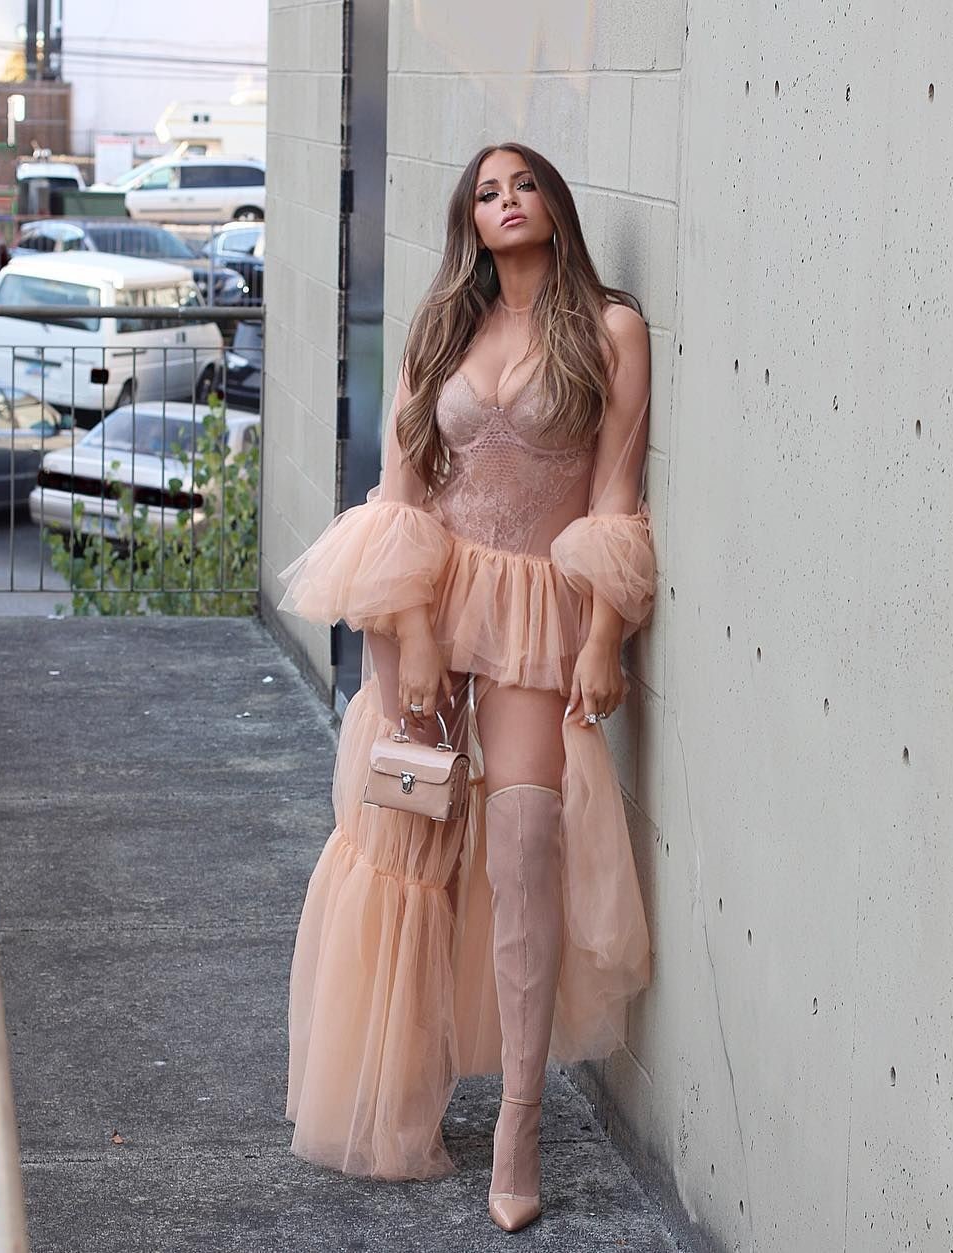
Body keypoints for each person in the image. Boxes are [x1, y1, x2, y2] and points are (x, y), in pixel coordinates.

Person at [276, 141, 657, 1234]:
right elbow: (401, 490)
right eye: (488, 192)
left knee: (526, 837)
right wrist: (408, 631)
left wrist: (604, 636)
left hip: (537, 605)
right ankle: (400, 1085)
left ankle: (519, 1123)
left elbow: (616, 495)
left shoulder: (610, 330)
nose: (507, 201)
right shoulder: (442, 324)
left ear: (556, 205)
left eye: (524, 184)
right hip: (429, 601)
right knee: (409, 842)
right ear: (470, 220)